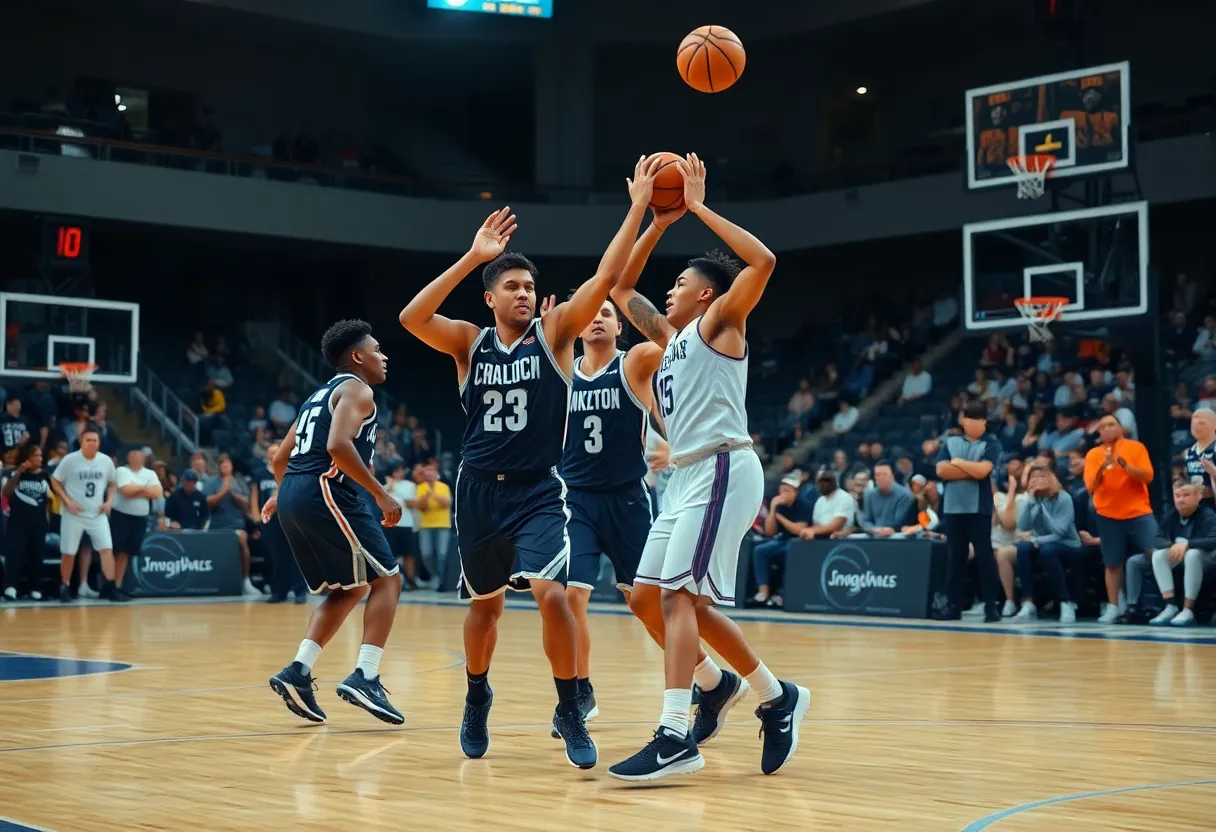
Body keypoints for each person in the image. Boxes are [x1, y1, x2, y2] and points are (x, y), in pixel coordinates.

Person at [398, 158, 660, 769]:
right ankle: (476, 694)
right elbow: (412, 319)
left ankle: (570, 707)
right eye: (508, 286)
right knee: (485, 607)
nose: (521, 293)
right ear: (489, 297)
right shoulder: (468, 341)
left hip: (539, 491)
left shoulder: (558, 334)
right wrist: (471, 257)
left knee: (555, 597)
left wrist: (638, 208)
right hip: (476, 492)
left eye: (527, 286)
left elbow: (607, 274)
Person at [606, 153, 809, 782]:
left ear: (704, 294)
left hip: (724, 468)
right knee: (646, 599)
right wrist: (651, 217)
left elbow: (764, 262)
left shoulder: (721, 324)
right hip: (685, 477)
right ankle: (760, 694)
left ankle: (673, 735)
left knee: (676, 600)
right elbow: (616, 287)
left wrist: (695, 207)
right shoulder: (668, 341)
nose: (666, 292)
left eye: (678, 286)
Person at [264, 320, 406, 726]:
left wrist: (283, 493)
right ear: (357, 357)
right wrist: (380, 492)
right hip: (326, 489)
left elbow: (278, 459)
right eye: (377, 349)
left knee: (354, 585)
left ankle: (298, 671)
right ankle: (367, 675)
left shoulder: (317, 395)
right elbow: (336, 446)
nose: (384, 356)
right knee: (389, 580)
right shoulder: (358, 390)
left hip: (295, 492)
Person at [557, 298, 675, 723]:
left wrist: (621, 291)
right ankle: (580, 690)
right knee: (571, 596)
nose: (596, 319)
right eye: (589, 313)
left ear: (620, 326)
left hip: (627, 502)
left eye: (606, 313)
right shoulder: (561, 372)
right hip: (576, 501)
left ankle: (701, 677)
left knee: (649, 606)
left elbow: (670, 337)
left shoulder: (635, 363)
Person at [1083, 414, 1155, 624]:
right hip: (1107, 513)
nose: (1107, 429)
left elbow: (1148, 476)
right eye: (1103, 426)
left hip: (1139, 511)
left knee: (1156, 555)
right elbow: (1091, 486)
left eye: (1111, 424)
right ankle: (1114, 607)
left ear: (1120, 427)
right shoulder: (1094, 454)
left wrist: (1126, 466)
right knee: (1112, 563)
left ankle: (1164, 603)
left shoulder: (1136, 447)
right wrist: (1103, 467)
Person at [935, 400, 1003, 622]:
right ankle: (953, 606)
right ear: (963, 420)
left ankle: (991, 606)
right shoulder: (950, 441)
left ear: (984, 421)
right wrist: (970, 469)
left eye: (977, 418)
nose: (972, 422)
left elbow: (984, 471)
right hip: (953, 509)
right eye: (968, 417)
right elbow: (942, 470)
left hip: (978, 509)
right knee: (955, 559)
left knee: (985, 558)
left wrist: (958, 463)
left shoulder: (991, 443)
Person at [49, 425, 117, 603]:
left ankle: (111, 587)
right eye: (89, 440)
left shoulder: (106, 461)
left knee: (107, 550)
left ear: (99, 442)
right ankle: (64, 586)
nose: (92, 443)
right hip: (74, 514)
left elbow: (112, 483)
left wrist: (108, 501)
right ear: (81, 441)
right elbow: (55, 480)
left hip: (97, 514)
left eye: (95, 440)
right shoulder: (70, 460)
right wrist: (67, 500)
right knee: (69, 552)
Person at [1011, 464, 1083, 623]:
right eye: (1034, 478)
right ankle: (1028, 602)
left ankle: (1066, 602)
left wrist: (1036, 539)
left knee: (1047, 551)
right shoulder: (1033, 499)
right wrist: (1030, 501)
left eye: (1043, 477)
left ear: (1051, 479)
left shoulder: (1064, 498)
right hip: (1044, 543)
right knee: (1022, 548)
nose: (1037, 481)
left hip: (1068, 544)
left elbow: (1059, 532)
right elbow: (1023, 526)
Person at [1137, 482, 1216, 626]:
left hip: (1208, 558)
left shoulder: (1208, 514)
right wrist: (1172, 545)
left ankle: (1188, 609)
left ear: (1198, 496)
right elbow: (1157, 539)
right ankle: (1170, 606)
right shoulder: (1172, 514)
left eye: (1186, 495)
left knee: (1192, 554)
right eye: (1177, 495)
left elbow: (1214, 539)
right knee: (1159, 555)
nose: (1181, 499)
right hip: (1183, 557)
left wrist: (1188, 544)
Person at [253, 441, 306, 604]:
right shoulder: (260, 473)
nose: (272, 455)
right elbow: (254, 497)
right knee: (275, 556)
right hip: (270, 520)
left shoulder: (291, 471)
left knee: (295, 554)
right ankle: (279, 591)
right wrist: (257, 519)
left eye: (275, 452)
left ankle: (299, 590)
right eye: (269, 452)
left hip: (290, 517)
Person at [752, 472, 815, 607]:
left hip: (799, 542)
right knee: (760, 550)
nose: (784, 492)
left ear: (795, 492)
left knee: (789, 551)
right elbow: (769, 531)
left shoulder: (804, 505)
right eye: (782, 489)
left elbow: (799, 529)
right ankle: (763, 592)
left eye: (788, 490)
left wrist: (780, 518)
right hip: (781, 540)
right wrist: (773, 510)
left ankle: (782, 593)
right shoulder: (777, 505)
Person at [111, 448, 163, 601]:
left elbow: (157, 493)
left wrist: (136, 488)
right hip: (121, 517)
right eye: (134, 456)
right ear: (128, 458)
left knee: (129, 552)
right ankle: (112, 586)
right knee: (119, 551)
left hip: (140, 518)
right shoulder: (121, 471)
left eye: (140, 456)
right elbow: (126, 491)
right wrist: (146, 488)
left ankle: (120, 585)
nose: (137, 458)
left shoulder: (150, 474)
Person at [204, 454, 259, 597]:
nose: (225, 468)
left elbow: (246, 504)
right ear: (219, 468)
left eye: (227, 465)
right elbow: (208, 503)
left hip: (236, 524)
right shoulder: (211, 482)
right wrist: (223, 491)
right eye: (222, 466)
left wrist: (232, 493)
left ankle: (246, 581)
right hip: (217, 525)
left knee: (242, 539)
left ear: (231, 467)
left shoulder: (239, 481)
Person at [1, 443, 50, 601]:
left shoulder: (45, 476)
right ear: (27, 458)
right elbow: (6, 493)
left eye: (40, 455)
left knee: (36, 555)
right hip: (18, 522)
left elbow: (48, 500)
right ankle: (10, 587)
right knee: (14, 555)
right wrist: (18, 474)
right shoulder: (14, 473)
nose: (39, 458)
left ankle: (35, 588)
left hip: (38, 522)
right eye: (36, 455)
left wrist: (47, 521)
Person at [414, 461, 451, 589]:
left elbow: (446, 504)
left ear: (436, 475)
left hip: (442, 525)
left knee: (441, 554)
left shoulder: (444, 487)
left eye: (431, 473)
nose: (429, 476)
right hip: (426, 525)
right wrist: (426, 497)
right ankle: (434, 576)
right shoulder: (420, 488)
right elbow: (421, 507)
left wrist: (434, 494)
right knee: (426, 554)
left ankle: (441, 581)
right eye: (427, 474)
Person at [1183, 407, 1216, 510]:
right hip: (1196, 509)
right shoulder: (1188, 452)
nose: (1196, 427)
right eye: (1194, 423)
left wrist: (1214, 473)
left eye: (1201, 423)